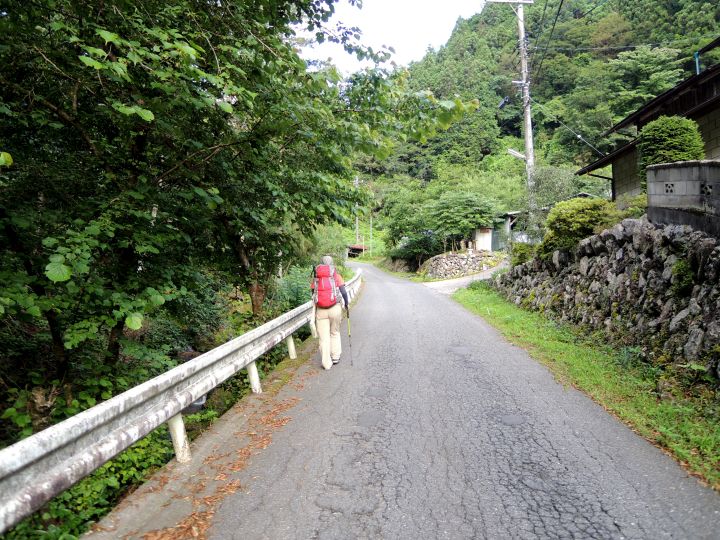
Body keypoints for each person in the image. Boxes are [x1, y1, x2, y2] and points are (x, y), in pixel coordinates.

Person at [311, 255, 349, 370]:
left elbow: (313, 294)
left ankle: (326, 363)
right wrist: (346, 304)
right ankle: (335, 357)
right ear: (332, 263)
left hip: (321, 310)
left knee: (323, 337)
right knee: (334, 332)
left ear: (321, 263)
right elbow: (343, 292)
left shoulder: (316, 278)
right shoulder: (336, 276)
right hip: (335, 308)